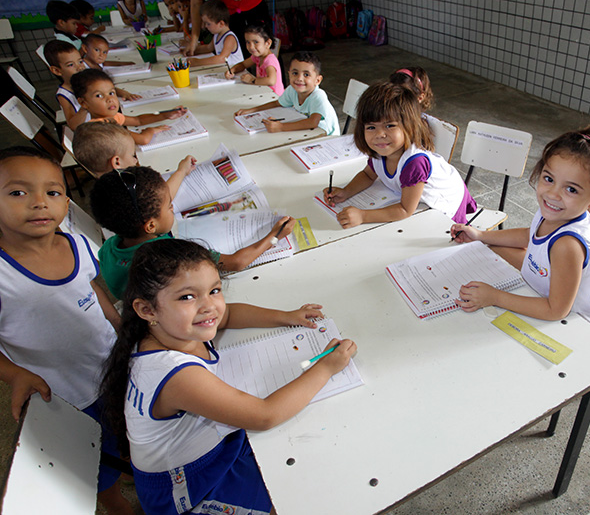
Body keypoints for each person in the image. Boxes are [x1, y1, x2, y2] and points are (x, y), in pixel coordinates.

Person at [98, 238, 356, 514]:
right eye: (187, 296)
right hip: (188, 483)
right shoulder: (175, 374)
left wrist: (286, 316)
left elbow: (229, 314)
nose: (209, 306)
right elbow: (264, 415)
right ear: (147, 310)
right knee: (290, 494)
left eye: (214, 290)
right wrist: (326, 368)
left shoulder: (171, 329)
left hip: (212, 449)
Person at [0, 147, 135, 514]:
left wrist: (118, 325)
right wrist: (15, 373)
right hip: (63, 393)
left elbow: (90, 287)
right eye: (17, 192)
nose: (39, 203)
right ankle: (119, 505)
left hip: (110, 366)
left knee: (125, 431)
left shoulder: (76, 242)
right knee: (93, 464)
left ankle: (131, 468)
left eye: (53, 192)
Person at [450, 125, 590, 330]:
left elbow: (555, 310)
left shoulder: (568, 245)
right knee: (484, 248)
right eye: (549, 179)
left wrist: (494, 297)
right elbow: (529, 235)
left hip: (576, 326)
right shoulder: (555, 213)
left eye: (571, 189)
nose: (553, 194)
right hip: (545, 289)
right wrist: (480, 235)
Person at [90, 166, 296, 299]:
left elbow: (159, 198)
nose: (173, 208)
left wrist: (181, 171)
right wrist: (274, 236)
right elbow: (236, 263)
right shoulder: (171, 259)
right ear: (151, 226)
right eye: (170, 206)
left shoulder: (110, 247)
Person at [325, 82, 475, 229]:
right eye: (371, 127)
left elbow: (405, 209)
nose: (379, 135)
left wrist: (363, 216)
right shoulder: (382, 150)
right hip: (416, 200)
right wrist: (346, 192)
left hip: (447, 200)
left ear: (408, 127)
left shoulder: (414, 163)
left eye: (390, 126)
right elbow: (368, 175)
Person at [234, 51, 339, 135]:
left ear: (317, 80)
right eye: (295, 73)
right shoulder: (292, 90)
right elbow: (277, 103)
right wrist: (251, 111)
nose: (299, 78)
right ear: (289, 74)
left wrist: (280, 127)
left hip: (326, 138)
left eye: (306, 75)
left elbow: (312, 122)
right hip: (308, 133)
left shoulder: (318, 96)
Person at [70, 69, 182, 144]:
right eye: (99, 96)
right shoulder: (102, 127)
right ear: (83, 103)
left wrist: (165, 115)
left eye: (111, 93)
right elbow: (143, 139)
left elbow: (137, 120)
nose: (110, 99)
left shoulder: (110, 117)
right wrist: (150, 130)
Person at [73, 121, 196, 186]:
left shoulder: (103, 186)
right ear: (117, 162)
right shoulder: (127, 186)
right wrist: (181, 171)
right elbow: (164, 199)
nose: (136, 161)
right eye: (133, 155)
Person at [185, 0, 273, 58]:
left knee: (266, 52)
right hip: (228, 14)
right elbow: (196, 3)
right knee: (240, 55)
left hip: (254, 5)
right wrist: (194, 40)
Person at [224, 23, 283, 94]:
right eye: (248, 42)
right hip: (264, 92)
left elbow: (271, 81)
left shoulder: (269, 61)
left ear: (268, 43)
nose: (251, 47)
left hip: (274, 98)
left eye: (256, 42)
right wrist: (232, 70)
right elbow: (243, 64)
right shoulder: (257, 56)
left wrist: (252, 80)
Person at [184, 0, 244, 67]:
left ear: (221, 23)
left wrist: (197, 62)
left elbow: (222, 59)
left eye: (208, 24)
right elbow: (208, 48)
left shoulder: (229, 38)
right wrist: (192, 50)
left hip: (236, 74)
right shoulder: (217, 34)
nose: (205, 26)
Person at [44, 40, 89, 129]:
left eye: (80, 61)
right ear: (57, 70)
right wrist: (86, 105)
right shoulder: (64, 95)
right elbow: (73, 125)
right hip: (89, 132)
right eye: (71, 65)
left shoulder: (87, 81)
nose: (80, 67)